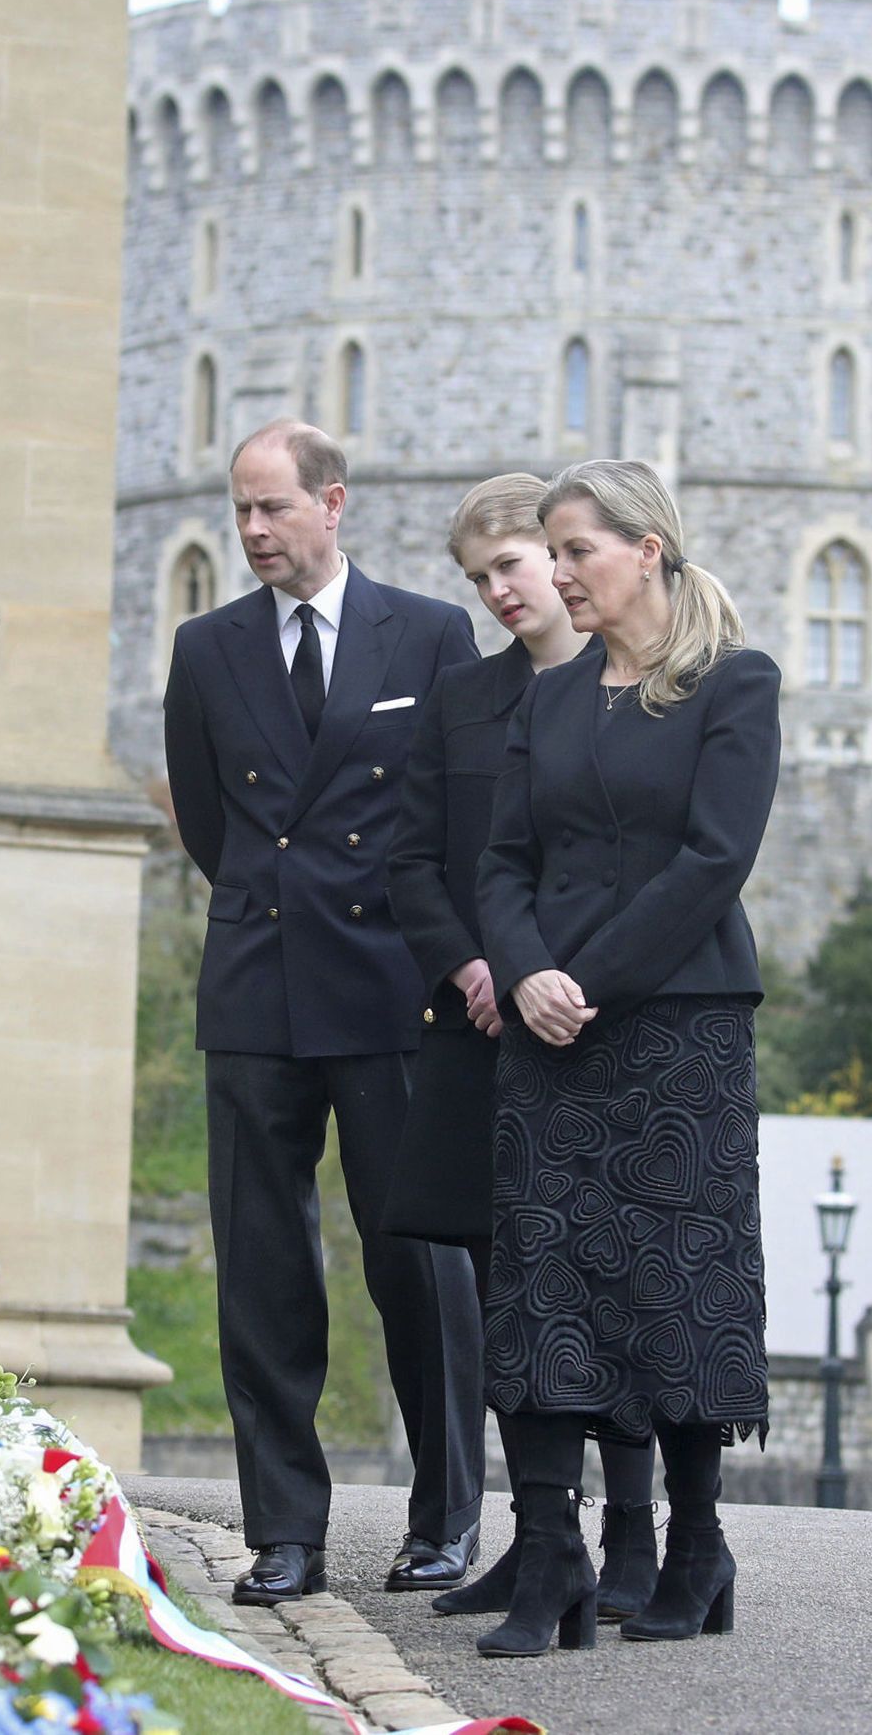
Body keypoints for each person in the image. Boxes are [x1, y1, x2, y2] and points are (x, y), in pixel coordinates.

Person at [161, 419, 488, 1606]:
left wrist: (444, 959)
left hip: (394, 985)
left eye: (271, 509)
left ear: (331, 503)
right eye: (238, 511)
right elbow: (208, 824)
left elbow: (458, 817)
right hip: (256, 982)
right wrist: (272, 905)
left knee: (419, 1261)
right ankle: (283, 1531)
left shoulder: (431, 633)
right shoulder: (206, 650)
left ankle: (445, 1519)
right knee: (263, 1267)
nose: (251, 531)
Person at [471, 459, 780, 1657]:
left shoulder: (730, 685)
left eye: (575, 551)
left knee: (673, 1280)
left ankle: (697, 1547)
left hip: (676, 1029)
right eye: (548, 553)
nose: (555, 574)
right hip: (548, 1028)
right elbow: (499, 863)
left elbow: (712, 861)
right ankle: (549, 1547)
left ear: (645, 548)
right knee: (544, 1278)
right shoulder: (546, 701)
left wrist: (583, 983)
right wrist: (524, 970)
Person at [382, 474, 663, 1623]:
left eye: (512, 563)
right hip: (480, 1026)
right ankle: (539, 1536)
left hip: (601, 1022)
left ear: (562, 559)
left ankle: (631, 1534)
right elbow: (412, 860)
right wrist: (474, 966)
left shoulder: (642, 692)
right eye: (479, 576)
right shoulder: (460, 700)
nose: (499, 589)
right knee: (505, 1292)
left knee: (616, 1283)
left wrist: (565, 974)